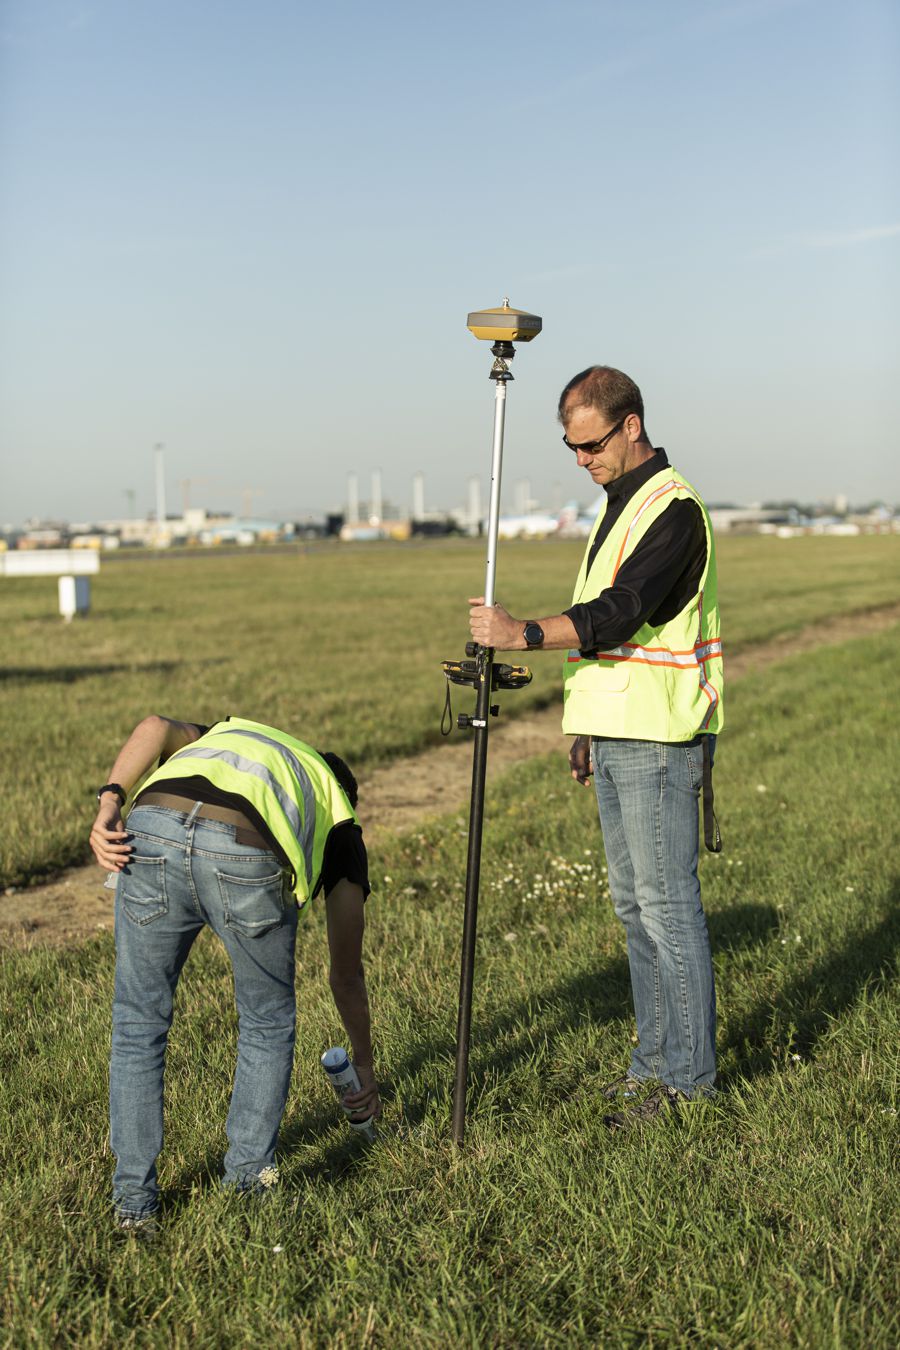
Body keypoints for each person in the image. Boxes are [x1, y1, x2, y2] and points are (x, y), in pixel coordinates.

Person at [468, 365, 724, 1129]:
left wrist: (523, 636)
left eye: (591, 445)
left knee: (667, 909)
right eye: (571, 448)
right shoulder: (617, 507)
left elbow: (621, 612)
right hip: (617, 732)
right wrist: (584, 724)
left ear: (631, 424)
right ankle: (653, 1066)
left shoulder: (670, 510)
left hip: (659, 737)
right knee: (633, 909)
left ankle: (688, 1086)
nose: (582, 460)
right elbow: (612, 642)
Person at [89, 713, 379, 1234]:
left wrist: (110, 801)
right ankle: (246, 1188)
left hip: (151, 827)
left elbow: (154, 723)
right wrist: (365, 1064)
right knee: (266, 1024)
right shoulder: (339, 818)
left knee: (137, 1022)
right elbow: (346, 973)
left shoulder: (231, 734)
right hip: (245, 851)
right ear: (345, 796)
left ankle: (133, 1204)